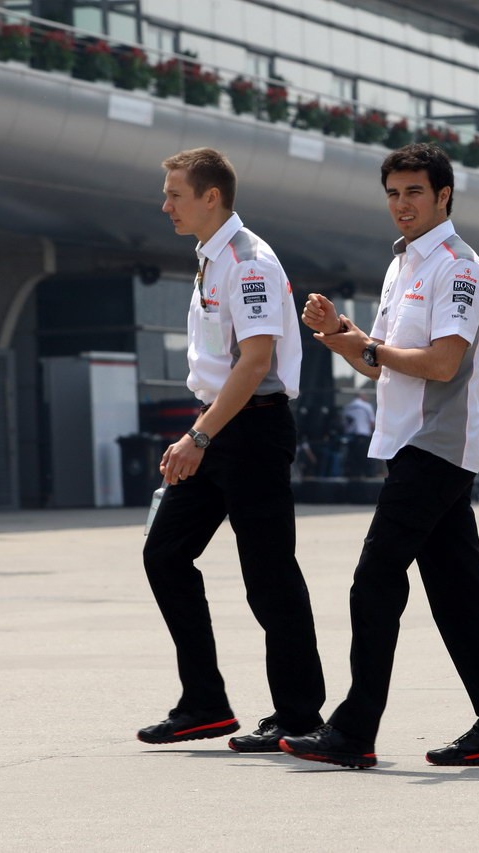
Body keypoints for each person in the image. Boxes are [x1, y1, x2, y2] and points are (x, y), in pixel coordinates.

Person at [284, 142, 479, 769]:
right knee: (459, 594)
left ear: (443, 195)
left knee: (373, 582)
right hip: (406, 445)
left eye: (414, 192)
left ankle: (353, 731)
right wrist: (344, 338)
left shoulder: (460, 268)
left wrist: (369, 346)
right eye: (393, 193)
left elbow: (443, 364)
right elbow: (383, 366)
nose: (402, 205)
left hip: (437, 447)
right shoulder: (401, 267)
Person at [138, 147, 326, 753]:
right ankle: (205, 704)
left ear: (210, 196)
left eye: (175, 193)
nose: (165, 204)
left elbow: (255, 363)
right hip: (220, 424)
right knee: (165, 555)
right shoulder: (210, 258)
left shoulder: (248, 263)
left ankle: (298, 715)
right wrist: (203, 429)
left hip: (251, 429)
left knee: (268, 576)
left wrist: (199, 435)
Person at [342, 392, 376, 478]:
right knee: (365, 457)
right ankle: (368, 475)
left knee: (353, 458)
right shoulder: (366, 406)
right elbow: (372, 423)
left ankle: (354, 475)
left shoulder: (348, 407)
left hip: (351, 436)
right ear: (362, 396)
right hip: (363, 435)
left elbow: (345, 422)